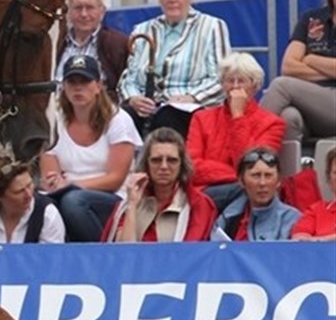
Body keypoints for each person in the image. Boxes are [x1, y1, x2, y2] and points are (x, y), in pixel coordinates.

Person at [118, 0, 231, 138]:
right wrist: (133, 98)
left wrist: (192, 97)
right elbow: (128, 78)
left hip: (188, 108)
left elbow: (221, 78)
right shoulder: (142, 30)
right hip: (146, 106)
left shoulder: (212, 27)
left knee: (167, 118)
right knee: (120, 118)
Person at [41, 54, 141, 242]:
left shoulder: (119, 120)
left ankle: (103, 254)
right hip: (66, 193)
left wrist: (72, 184)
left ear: (98, 86)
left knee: (73, 202)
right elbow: (50, 176)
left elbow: (115, 179)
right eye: (72, 82)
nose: (78, 88)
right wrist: (57, 184)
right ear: (64, 87)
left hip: (111, 198)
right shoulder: (54, 120)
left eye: (85, 81)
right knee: (39, 204)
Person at [185, 52, 285, 209]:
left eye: (241, 81)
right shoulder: (201, 118)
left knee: (250, 189)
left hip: (247, 191)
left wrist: (238, 116)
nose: (235, 87)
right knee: (246, 187)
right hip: (204, 191)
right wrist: (236, 175)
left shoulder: (272, 123)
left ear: (254, 86)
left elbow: (254, 165)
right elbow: (191, 166)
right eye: (230, 81)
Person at [261, 0, 336, 143]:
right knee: (289, 117)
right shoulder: (311, 18)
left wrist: (310, 59)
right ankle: (280, 162)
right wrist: (330, 70)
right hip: (312, 103)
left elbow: (290, 73)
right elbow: (288, 66)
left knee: (281, 85)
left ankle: (248, 148)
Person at [102, 127, 217, 242]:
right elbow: (123, 250)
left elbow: (191, 249)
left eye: (172, 160)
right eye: (156, 160)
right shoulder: (130, 202)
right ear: (146, 164)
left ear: (182, 165)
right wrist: (132, 204)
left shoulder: (198, 204)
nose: (164, 166)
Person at [0, 154, 65, 244]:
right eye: (19, 192)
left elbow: (53, 259)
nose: (29, 194)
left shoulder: (47, 214)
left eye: (29, 185)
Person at [55, 0, 129, 101]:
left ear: (102, 11)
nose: (84, 14)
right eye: (78, 8)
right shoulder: (56, 44)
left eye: (90, 8)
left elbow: (126, 89)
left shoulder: (118, 44)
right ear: (67, 12)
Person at [212, 147, 301, 241]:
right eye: (256, 175)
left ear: (278, 181)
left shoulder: (291, 219)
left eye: (268, 175)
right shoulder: (228, 216)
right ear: (241, 180)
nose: (262, 183)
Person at [292, 146, 336, 241]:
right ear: (329, 177)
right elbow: (299, 240)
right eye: (335, 173)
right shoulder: (315, 211)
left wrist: (321, 240)